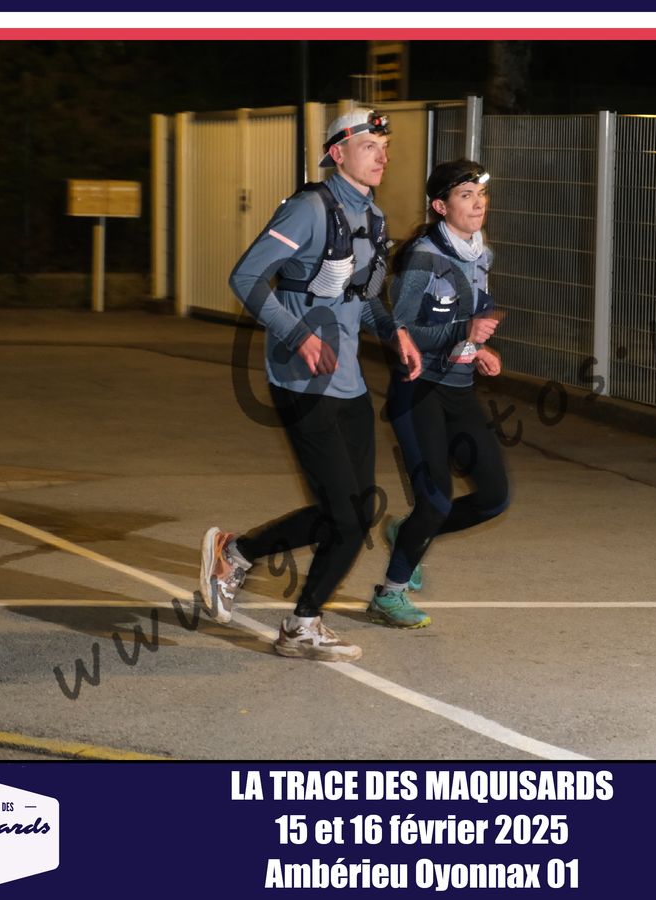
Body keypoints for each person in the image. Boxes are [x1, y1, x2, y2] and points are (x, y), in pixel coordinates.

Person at [199, 108, 421, 662]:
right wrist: (296, 333)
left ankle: (240, 555)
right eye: (369, 145)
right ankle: (298, 619)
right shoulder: (308, 209)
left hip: (348, 383)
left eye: (385, 147)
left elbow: (362, 299)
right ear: (337, 153)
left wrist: (394, 333)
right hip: (301, 381)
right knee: (344, 516)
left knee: (354, 511)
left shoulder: (373, 218)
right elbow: (246, 276)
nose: (381, 155)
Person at [367, 159, 509, 629]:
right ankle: (390, 594)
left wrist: (479, 348)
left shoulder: (480, 252)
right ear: (440, 206)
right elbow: (400, 332)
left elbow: (470, 318)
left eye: (480, 194)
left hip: (460, 389)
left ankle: (406, 532)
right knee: (436, 500)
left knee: (494, 497)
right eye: (466, 195)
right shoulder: (423, 259)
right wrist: (462, 332)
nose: (478, 203)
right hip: (419, 389)